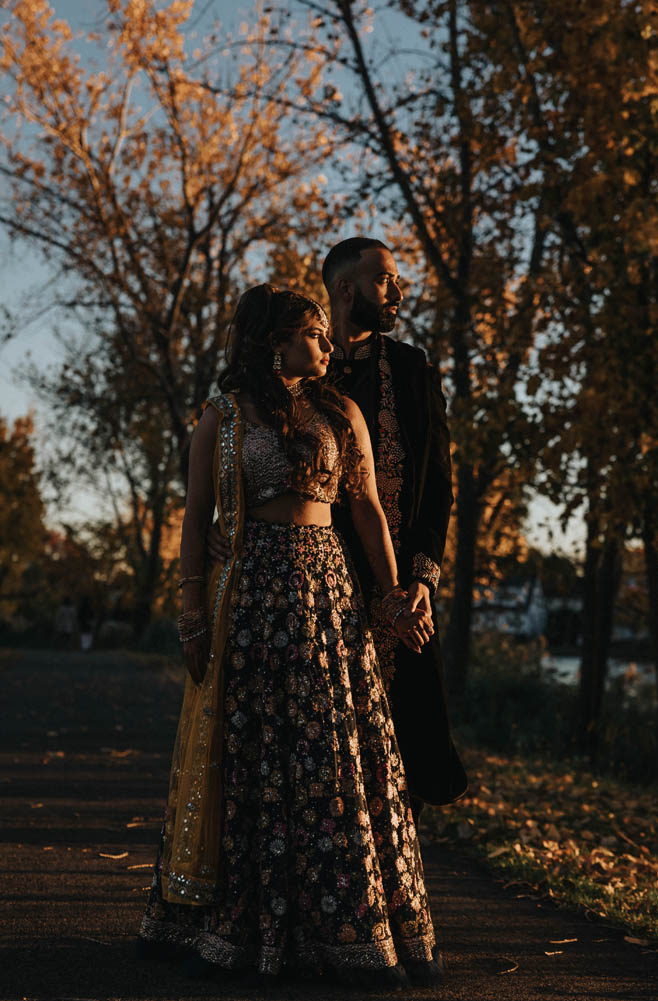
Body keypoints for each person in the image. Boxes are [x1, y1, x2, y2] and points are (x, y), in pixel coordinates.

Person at [138, 285, 445, 987]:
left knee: (332, 750)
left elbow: (366, 507)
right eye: (312, 332)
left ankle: (346, 925)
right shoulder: (220, 418)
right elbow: (192, 523)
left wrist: (393, 595)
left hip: (327, 596)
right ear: (274, 340)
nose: (326, 344)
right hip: (249, 595)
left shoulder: (341, 412)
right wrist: (189, 614)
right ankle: (249, 929)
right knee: (255, 754)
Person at [322, 238, 467, 818]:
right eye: (385, 280)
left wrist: (423, 581)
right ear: (345, 288)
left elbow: (439, 485)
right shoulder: (296, 367)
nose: (398, 293)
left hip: (401, 582)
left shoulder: (410, 369)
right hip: (316, 581)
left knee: (406, 746)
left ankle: (393, 884)